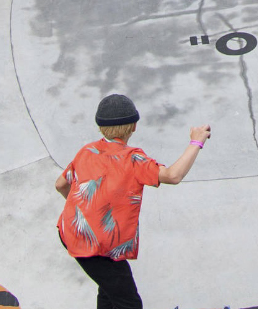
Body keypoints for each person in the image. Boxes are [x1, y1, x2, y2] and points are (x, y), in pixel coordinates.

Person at [55, 93, 211, 309]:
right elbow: (173, 175)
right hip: (97, 246)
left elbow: (61, 185)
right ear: (134, 126)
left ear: (100, 127)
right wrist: (196, 141)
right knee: (129, 303)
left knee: (110, 288)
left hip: (71, 233)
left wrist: (85, 210)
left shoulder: (86, 151)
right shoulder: (134, 159)